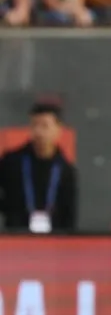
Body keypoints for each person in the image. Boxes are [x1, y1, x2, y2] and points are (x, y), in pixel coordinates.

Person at [0, 100, 77, 233]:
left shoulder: (65, 170)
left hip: (55, 242)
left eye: (45, 126)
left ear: (58, 129)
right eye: (34, 125)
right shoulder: (11, 162)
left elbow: (69, 215)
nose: (39, 132)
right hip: (16, 240)